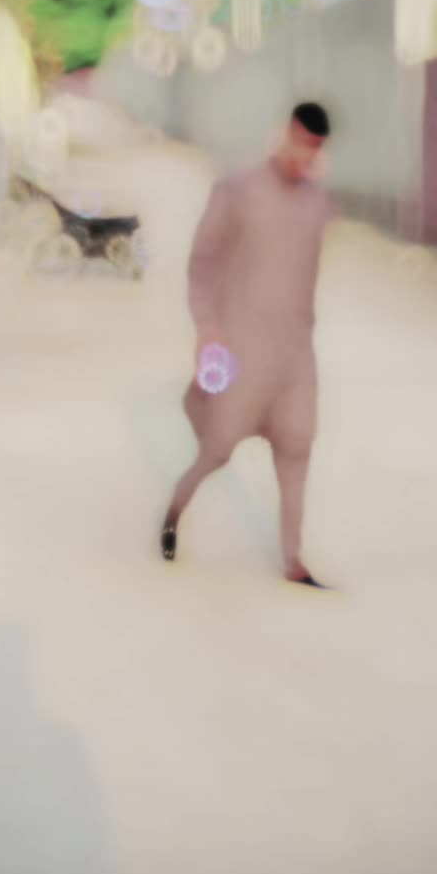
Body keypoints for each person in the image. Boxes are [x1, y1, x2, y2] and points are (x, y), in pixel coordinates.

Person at [161, 101, 334, 588]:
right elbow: (202, 263)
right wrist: (208, 327)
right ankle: (174, 512)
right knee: (217, 448)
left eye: (315, 148)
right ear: (285, 134)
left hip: (294, 354)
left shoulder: (318, 206)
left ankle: (293, 560)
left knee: (297, 447)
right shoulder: (237, 191)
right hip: (243, 349)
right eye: (301, 143)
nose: (305, 155)